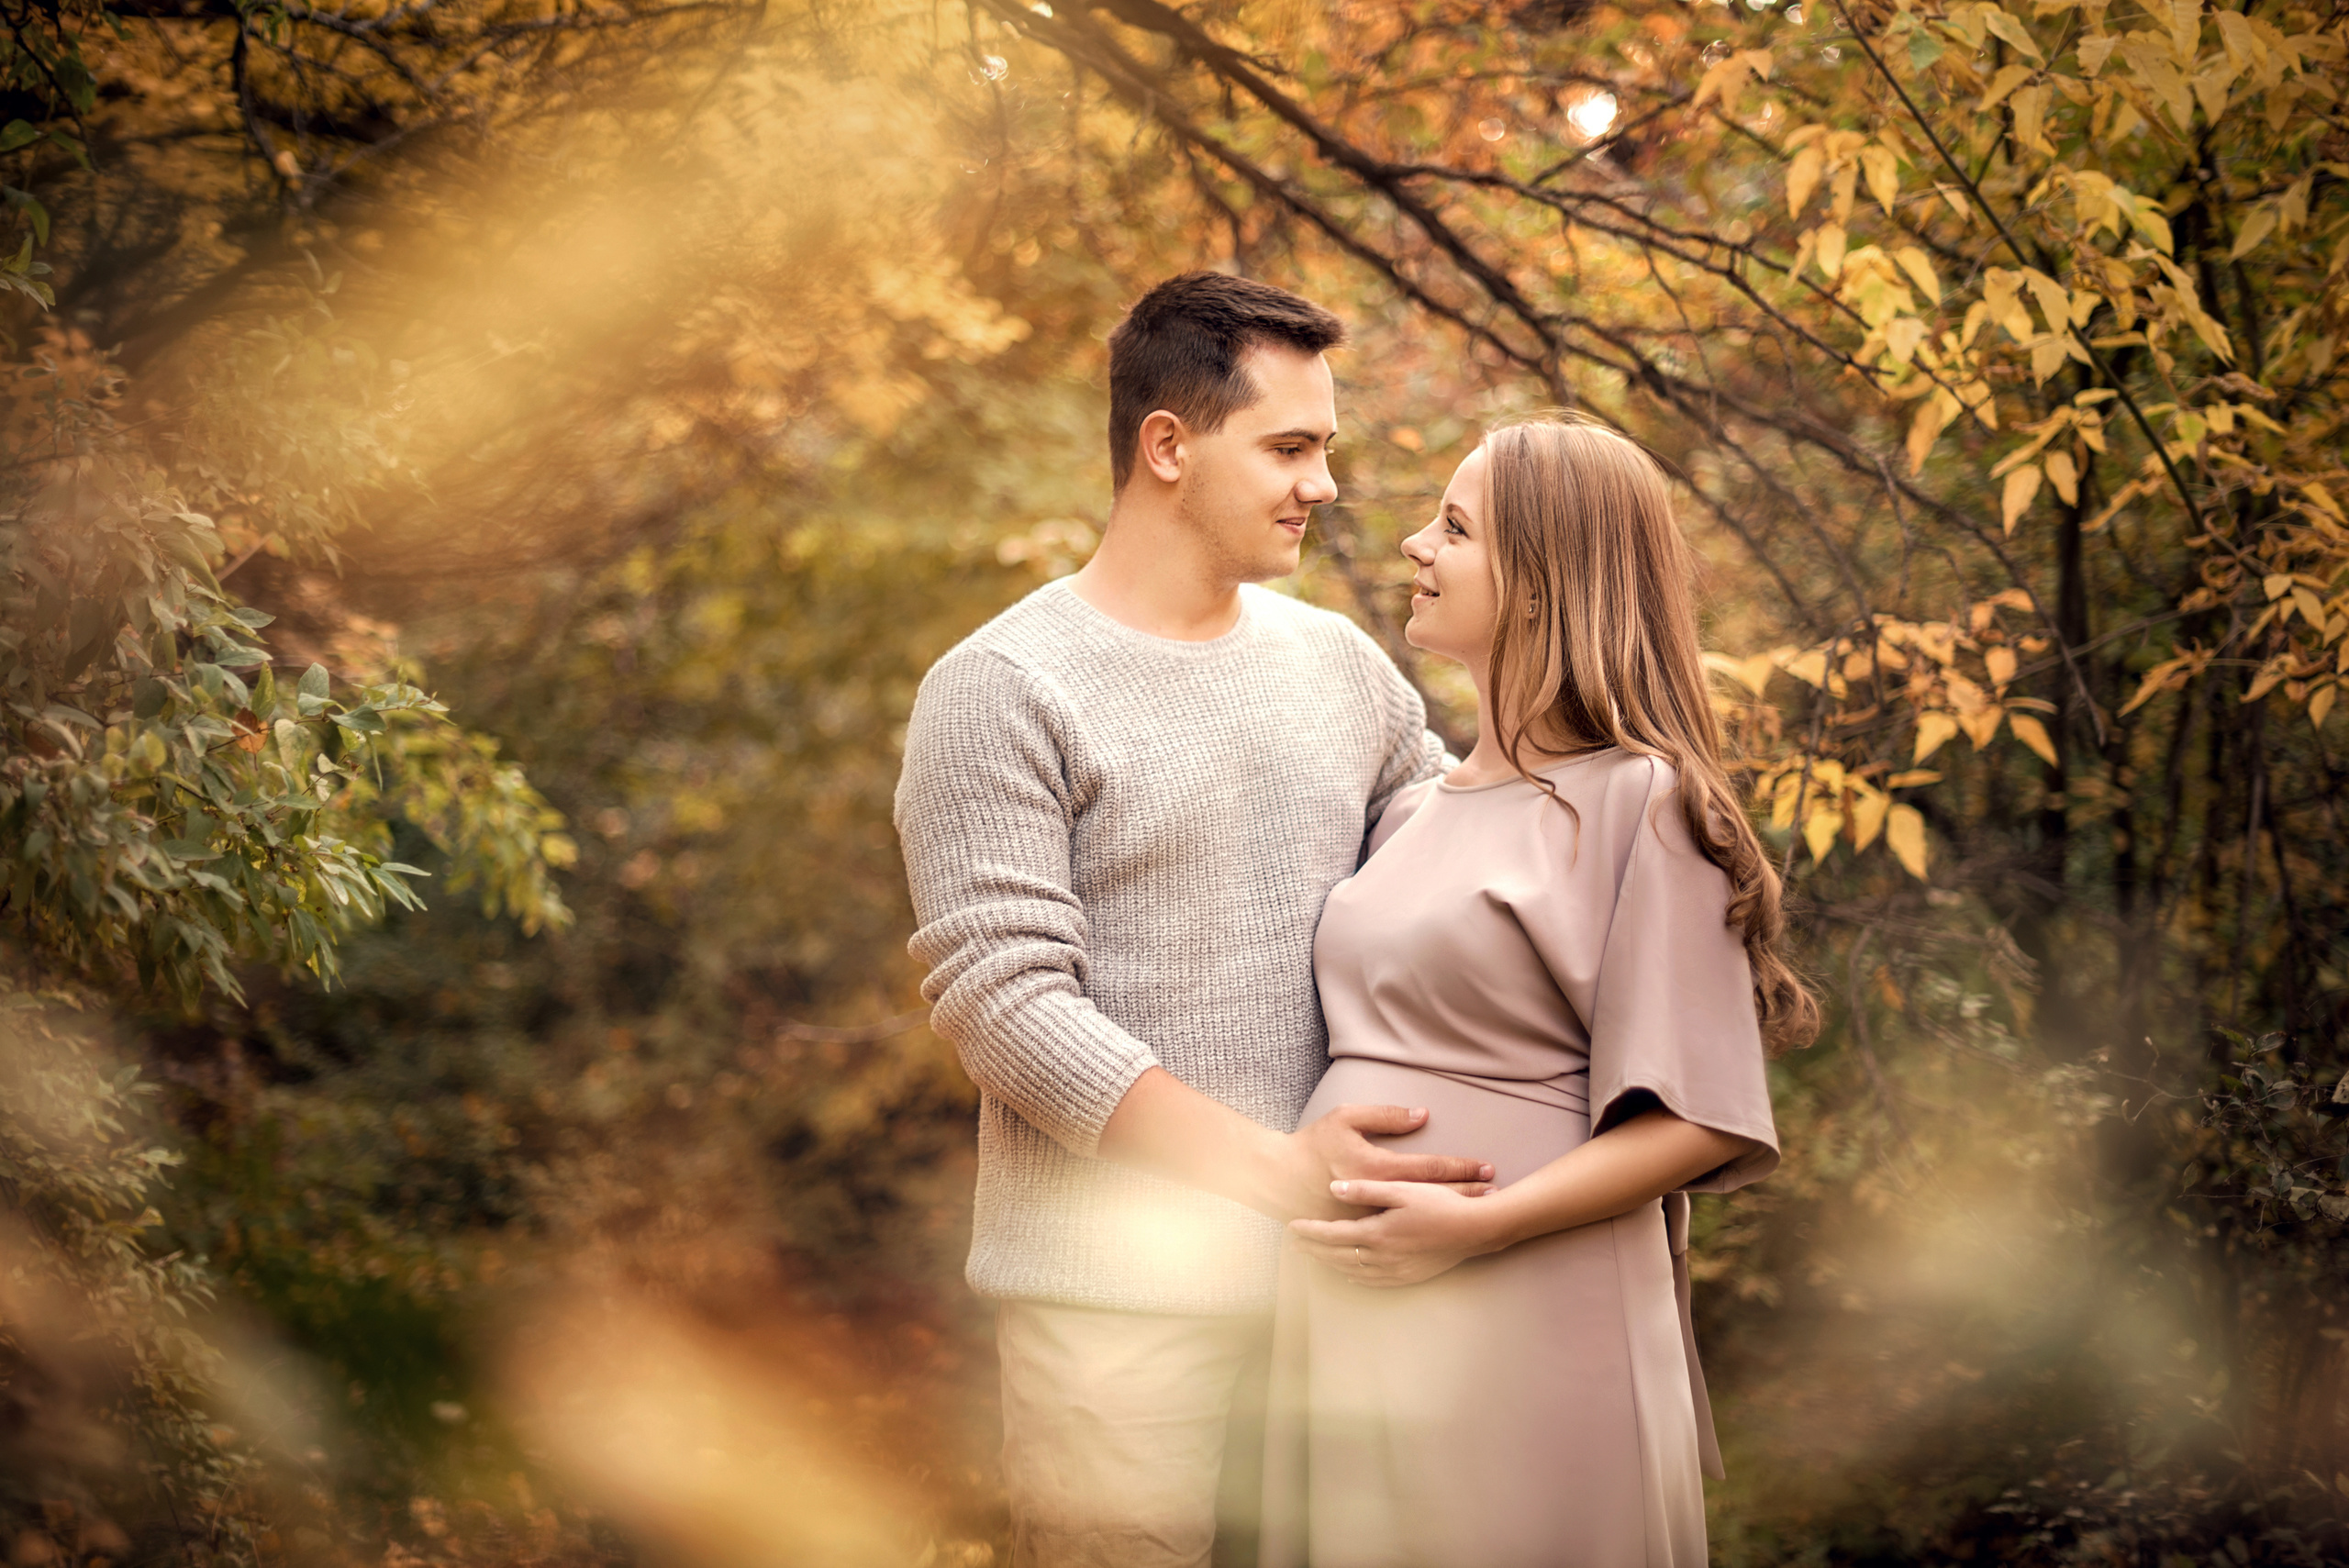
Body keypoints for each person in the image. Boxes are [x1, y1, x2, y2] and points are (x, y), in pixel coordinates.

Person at [892, 272, 1494, 1568]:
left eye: (1322, 448)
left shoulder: (1337, 664)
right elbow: (1007, 1009)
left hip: (1345, 1296)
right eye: (1289, 446)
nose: (1322, 484)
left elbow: (1457, 854)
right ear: (1167, 445)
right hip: (1117, 1314)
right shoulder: (999, 688)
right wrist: (1277, 1173)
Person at [1261, 414, 1820, 1568]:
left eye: (1454, 527)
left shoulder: (1640, 800)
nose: (1416, 543)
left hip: (1527, 1296)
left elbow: (1702, 1115)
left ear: (1539, 587)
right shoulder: (1411, 807)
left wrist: (1474, 1226)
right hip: (1356, 1300)